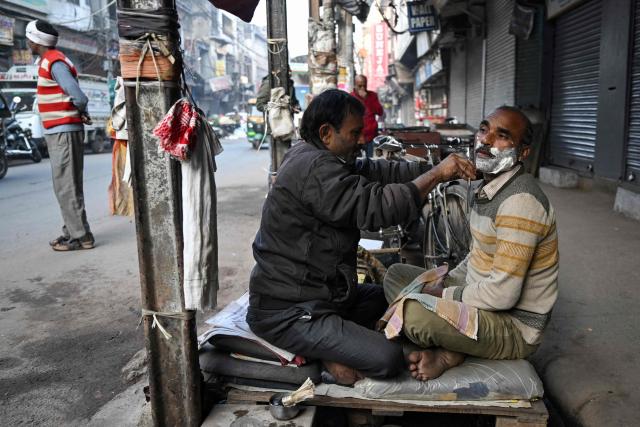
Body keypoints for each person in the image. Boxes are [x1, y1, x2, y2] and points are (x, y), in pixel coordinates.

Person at [246, 89, 475, 385]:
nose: (363, 140)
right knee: (386, 359)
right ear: (326, 133)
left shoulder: (321, 156)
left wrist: (429, 167)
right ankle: (324, 355)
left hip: (325, 295)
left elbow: (375, 171)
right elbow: (377, 206)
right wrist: (436, 176)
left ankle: (334, 343)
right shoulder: (313, 168)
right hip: (291, 311)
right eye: (355, 133)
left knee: (394, 300)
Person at [383, 106, 559, 381]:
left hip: (511, 327)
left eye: (502, 136)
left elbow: (503, 295)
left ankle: (448, 352)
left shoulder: (520, 202)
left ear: (523, 153)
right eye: (484, 129)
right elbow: (477, 256)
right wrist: (444, 280)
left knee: (414, 313)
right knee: (397, 276)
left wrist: (443, 295)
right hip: (479, 299)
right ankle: (454, 345)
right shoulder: (488, 187)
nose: (486, 140)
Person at [26, 20, 94, 251]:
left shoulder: (54, 62)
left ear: (35, 41)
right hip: (62, 131)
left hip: (63, 132)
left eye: (29, 39)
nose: (27, 43)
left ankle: (81, 237)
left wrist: (81, 110)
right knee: (68, 185)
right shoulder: (53, 60)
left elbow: (79, 96)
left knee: (66, 186)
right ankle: (74, 231)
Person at [351, 75, 383, 158]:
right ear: (355, 85)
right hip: (356, 136)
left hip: (371, 136)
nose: (362, 88)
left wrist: (366, 100)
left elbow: (380, 112)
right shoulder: (350, 97)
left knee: (371, 161)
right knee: (355, 162)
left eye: (364, 85)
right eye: (359, 86)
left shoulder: (372, 96)